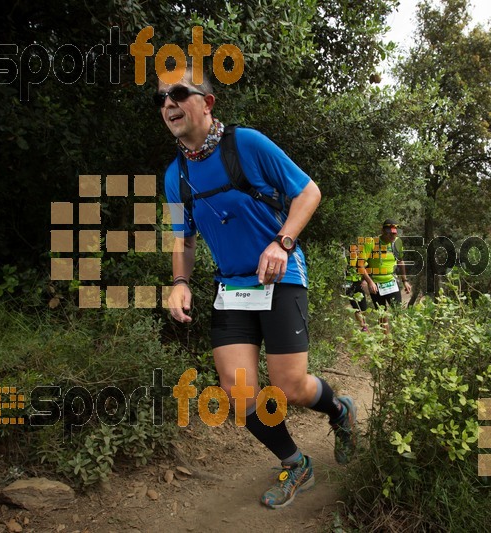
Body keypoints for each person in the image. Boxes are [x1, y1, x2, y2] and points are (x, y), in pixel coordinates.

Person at [159, 64, 357, 510]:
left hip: (280, 276)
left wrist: (283, 242)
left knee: (289, 386)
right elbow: (183, 238)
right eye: (161, 98)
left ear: (207, 103)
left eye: (178, 93)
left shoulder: (246, 144)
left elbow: (308, 192)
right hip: (232, 288)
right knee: (239, 390)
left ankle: (339, 410)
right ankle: (296, 463)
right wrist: (179, 282)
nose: (168, 103)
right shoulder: (176, 176)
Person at [360, 219, 412, 334]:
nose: (392, 236)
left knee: (398, 313)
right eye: (389, 233)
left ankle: (400, 342)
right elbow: (360, 265)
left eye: (394, 233)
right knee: (382, 314)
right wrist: (369, 282)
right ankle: (385, 342)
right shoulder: (371, 243)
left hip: (391, 282)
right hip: (376, 283)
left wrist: (405, 280)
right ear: (382, 231)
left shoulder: (397, 242)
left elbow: (400, 261)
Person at [343, 245, 369, 331]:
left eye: (356, 250)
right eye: (352, 250)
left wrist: (365, 280)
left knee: (363, 307)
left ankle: (364, 324)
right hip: (349, 284)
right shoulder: (345, 259)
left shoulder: (361, 260)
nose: (354, 252)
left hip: (358, 283)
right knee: (355, 307)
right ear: (350, 251)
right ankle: (363, 326)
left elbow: (367, 269)